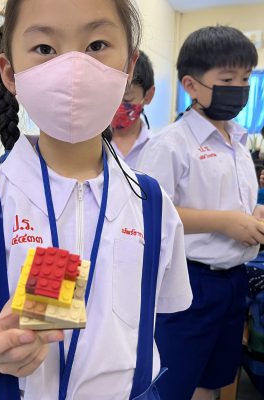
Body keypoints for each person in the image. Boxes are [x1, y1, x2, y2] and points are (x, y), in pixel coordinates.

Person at [0, 1, 192, 399]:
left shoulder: (153, 204)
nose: (73, 68)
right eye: (45, 48)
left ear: (128, 67)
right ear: (9, 72)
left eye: (97, 45)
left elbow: (157, 320)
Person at [137, 25, 262, 400]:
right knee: (174, 382)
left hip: (234, 280)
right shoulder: (170, 144)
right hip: (190, 281)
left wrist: (253, 214)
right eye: (227, 79)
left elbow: (233, 202)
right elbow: (150, 213)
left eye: (245, 78)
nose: (240, 88)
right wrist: (223, 223)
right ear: (191, 85)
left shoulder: (237, 139)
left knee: (213, 378)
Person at [110, 50, 155, 169]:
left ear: (148, 96)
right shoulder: (92, 144)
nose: (117, 107)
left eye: (127, 99)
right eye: (112, 98)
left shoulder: (157, 147)